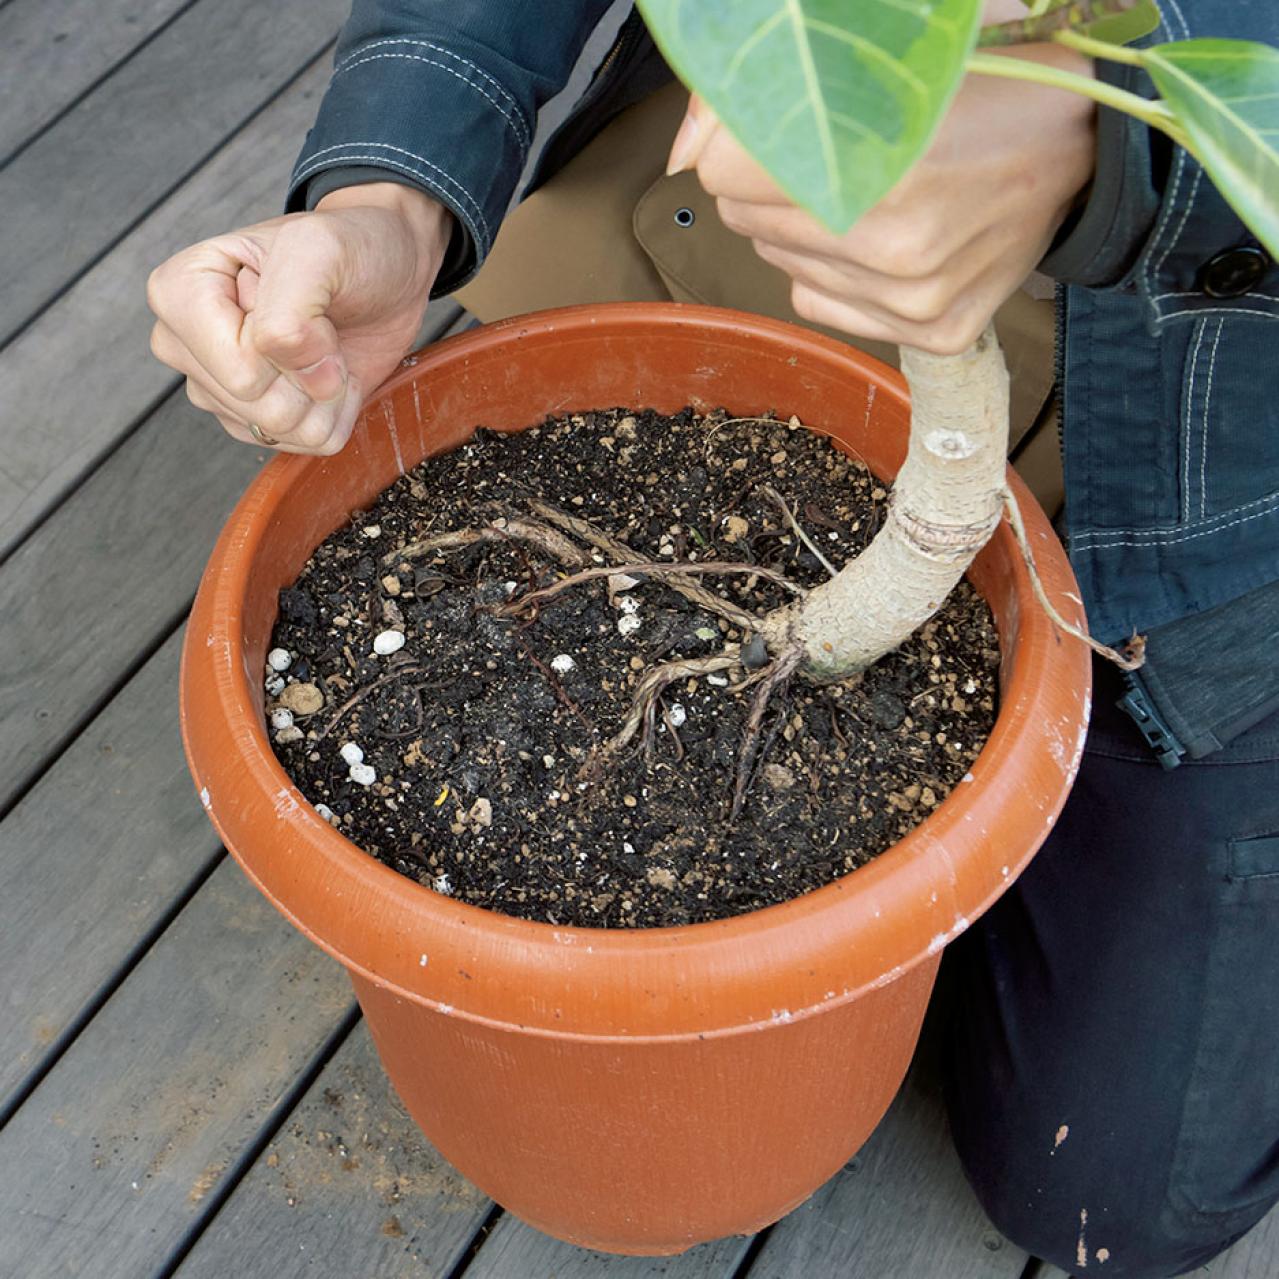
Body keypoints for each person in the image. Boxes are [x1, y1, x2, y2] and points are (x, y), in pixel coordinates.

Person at [146, 2, 1279, 1274]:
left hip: (1209, 445)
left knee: (1118, 1207)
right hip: (738, 220)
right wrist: (389, 191)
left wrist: (1113, 140)